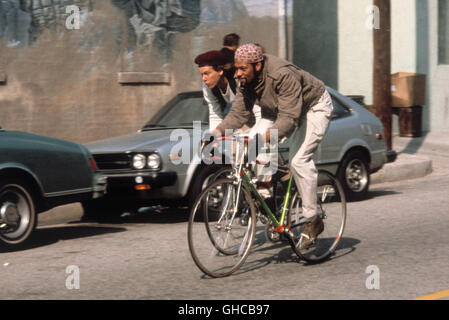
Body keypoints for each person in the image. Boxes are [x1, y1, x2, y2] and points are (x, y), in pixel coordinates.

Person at [213, 43, 334, 249]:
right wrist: (216, 133)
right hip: (276, 111)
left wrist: (267, 138)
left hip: (314, 107)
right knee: (246, 148)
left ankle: (312, 220)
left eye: (243, 69)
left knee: (299, 160)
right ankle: (268, 197)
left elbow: (289, 117)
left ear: (258, 65)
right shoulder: (243, 79)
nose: (238, 73)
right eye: (236, 68)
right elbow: (239, 113)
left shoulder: (281, 75)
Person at [194, 50, 260, 131]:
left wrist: (256, 136)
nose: (203, 78)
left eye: (207, 73)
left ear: (220, 71)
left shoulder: (240, 80)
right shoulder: (207, 86)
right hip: (244, 123)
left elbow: (259, 112)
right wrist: (214, 138)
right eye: (202, 74)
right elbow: (215, 114)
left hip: (266, 121)